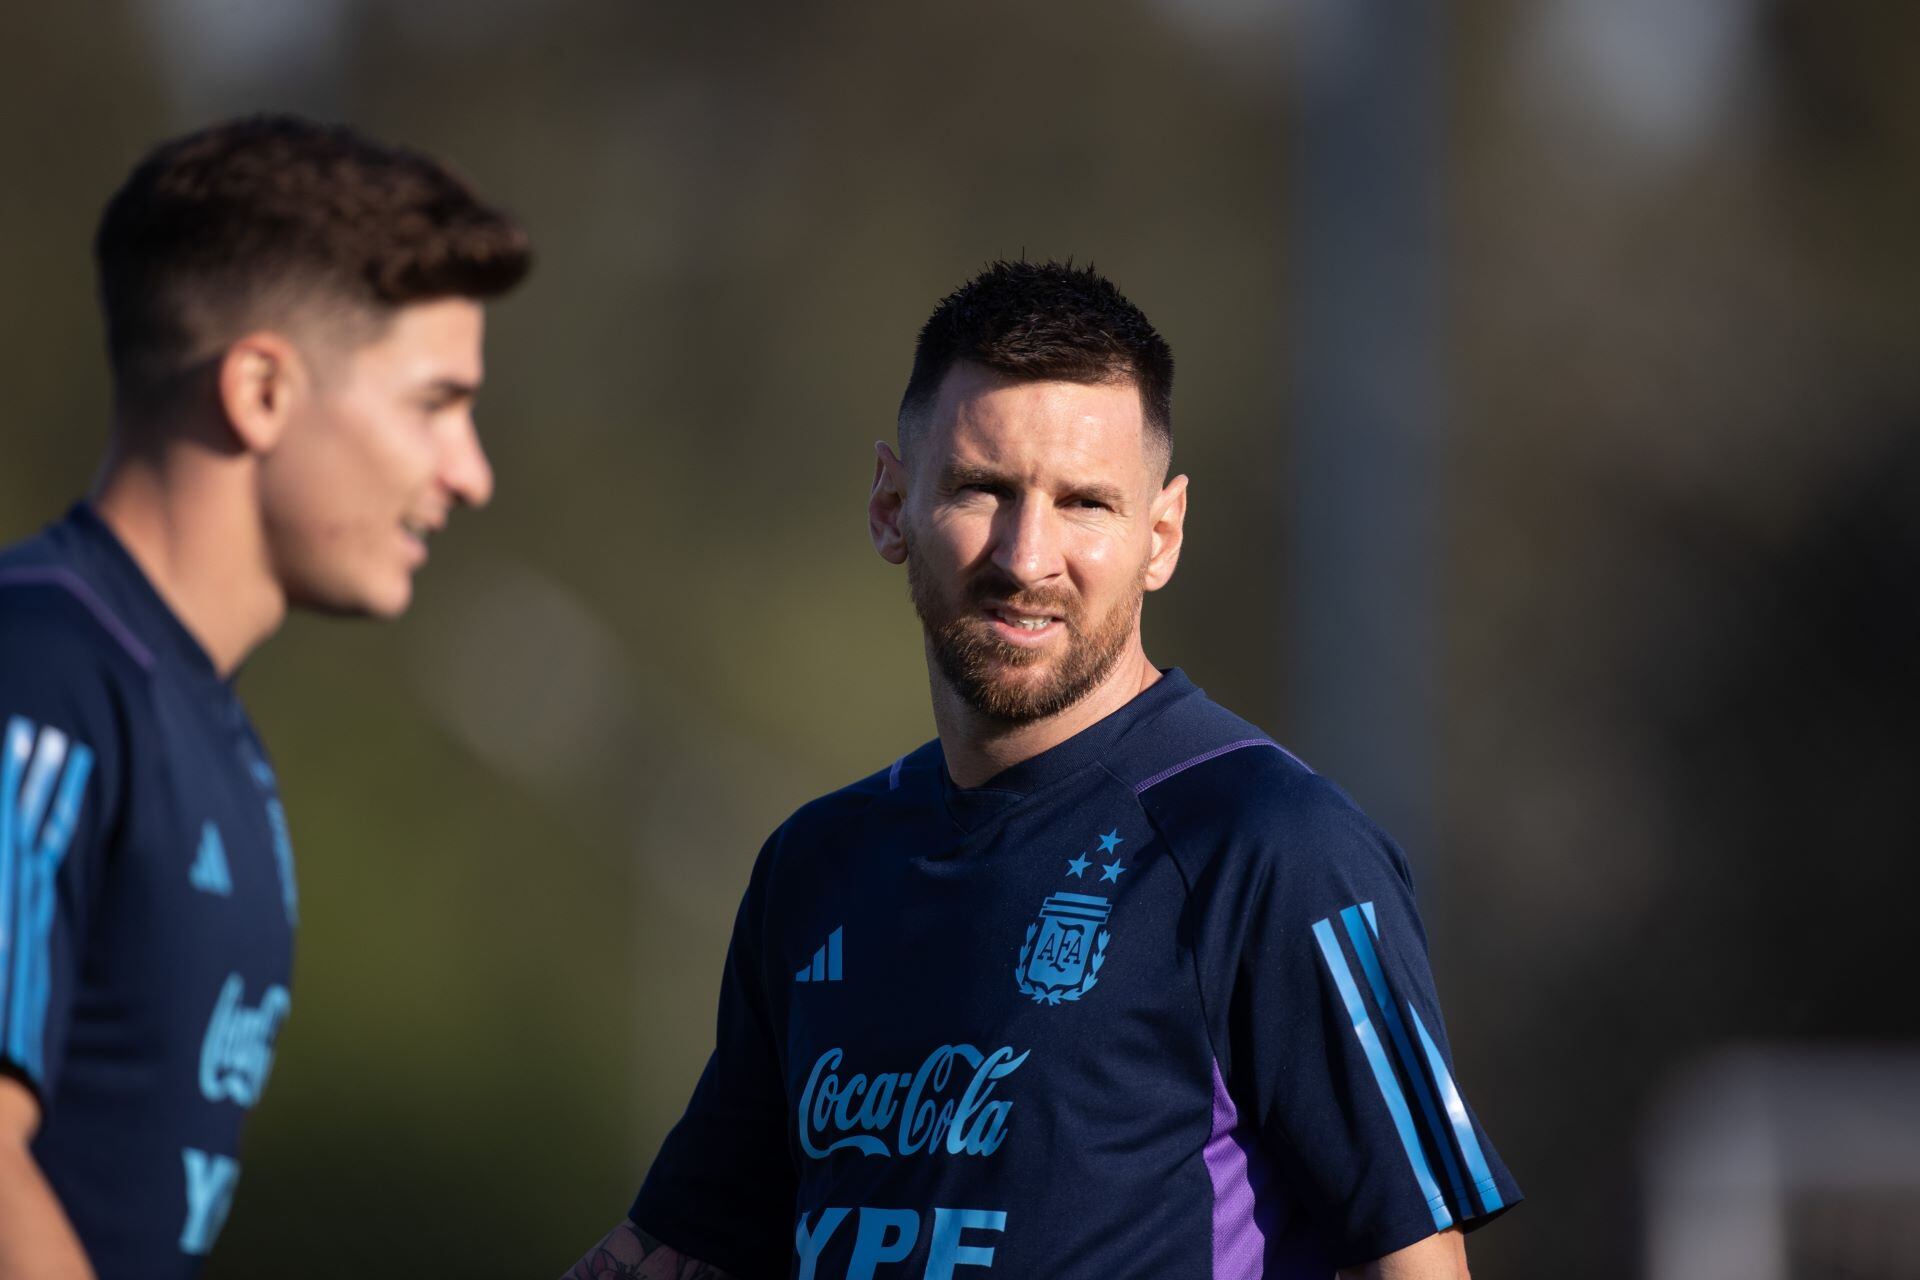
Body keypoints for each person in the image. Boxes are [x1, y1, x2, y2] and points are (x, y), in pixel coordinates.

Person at [565, 260, 1518, 1279]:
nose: (1027, 557)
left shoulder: (1279, 847)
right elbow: (682, 1250)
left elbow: (1417, 1262)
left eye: (1085, 503)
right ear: (891, 504)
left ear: (1161, 536)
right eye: (982, 489)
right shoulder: (816, 865)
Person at [0, 115, 530, 1279]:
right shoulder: (39, 670)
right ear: (260, 389)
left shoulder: (211, 730)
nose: (471, 471)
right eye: (434, 402)